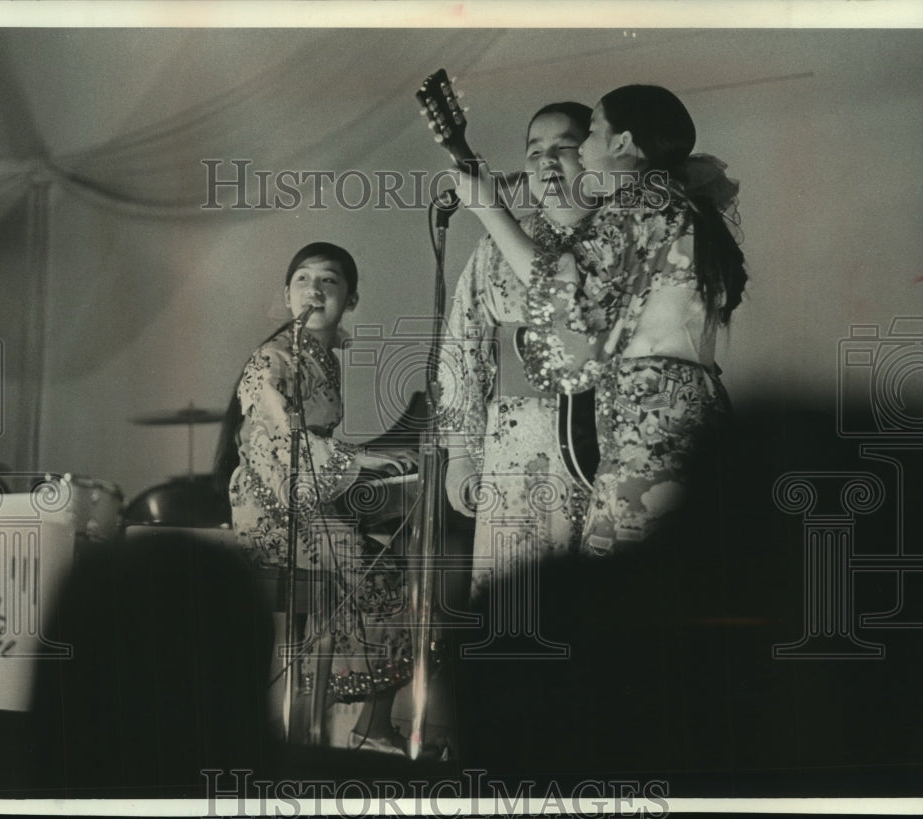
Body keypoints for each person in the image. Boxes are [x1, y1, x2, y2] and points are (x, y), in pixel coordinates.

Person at [452, 84, 747, 556]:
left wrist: (487, 207)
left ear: (622, 144)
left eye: (589, 133)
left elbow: (561, 286)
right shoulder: (673, 205)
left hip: (651, 427)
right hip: (670, 417)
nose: (584, 150)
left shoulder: (644, 203)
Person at [213, 241, 417, 753]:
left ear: (349, 299)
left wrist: (355, 463)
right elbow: (280, 442)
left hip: (303, 504)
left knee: (384, 562)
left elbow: (313, 443)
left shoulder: (325, 358)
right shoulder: (271, 358)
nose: (314, 290)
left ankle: (332, 718)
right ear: (286, 294)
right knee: (379, 572)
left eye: (329, 281)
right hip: (269, 508)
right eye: (303, 279)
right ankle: (357, 725)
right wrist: (358, 461)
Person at [435, 102, 597, 600]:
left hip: (599, 440)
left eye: (563, 148)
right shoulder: (496, 246)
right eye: (534, 153)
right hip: (514, 445)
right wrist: (460, 455)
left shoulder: (619, 236)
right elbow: (463, 343)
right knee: (516, 598)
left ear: (593, 154)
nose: (547, 163)